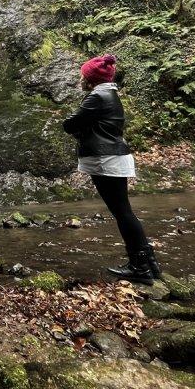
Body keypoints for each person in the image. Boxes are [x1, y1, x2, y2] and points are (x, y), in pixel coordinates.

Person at [62, 54, 161, 285]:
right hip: (113, 156)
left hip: (106, 159)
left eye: (83, 74)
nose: (80, 77)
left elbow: (70, 123)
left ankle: (140, 267)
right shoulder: (110, 93)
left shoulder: (97, 96)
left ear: (90, 78)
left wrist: (75, 126)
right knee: (124, 211)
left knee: (123, 212)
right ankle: (149, 264)